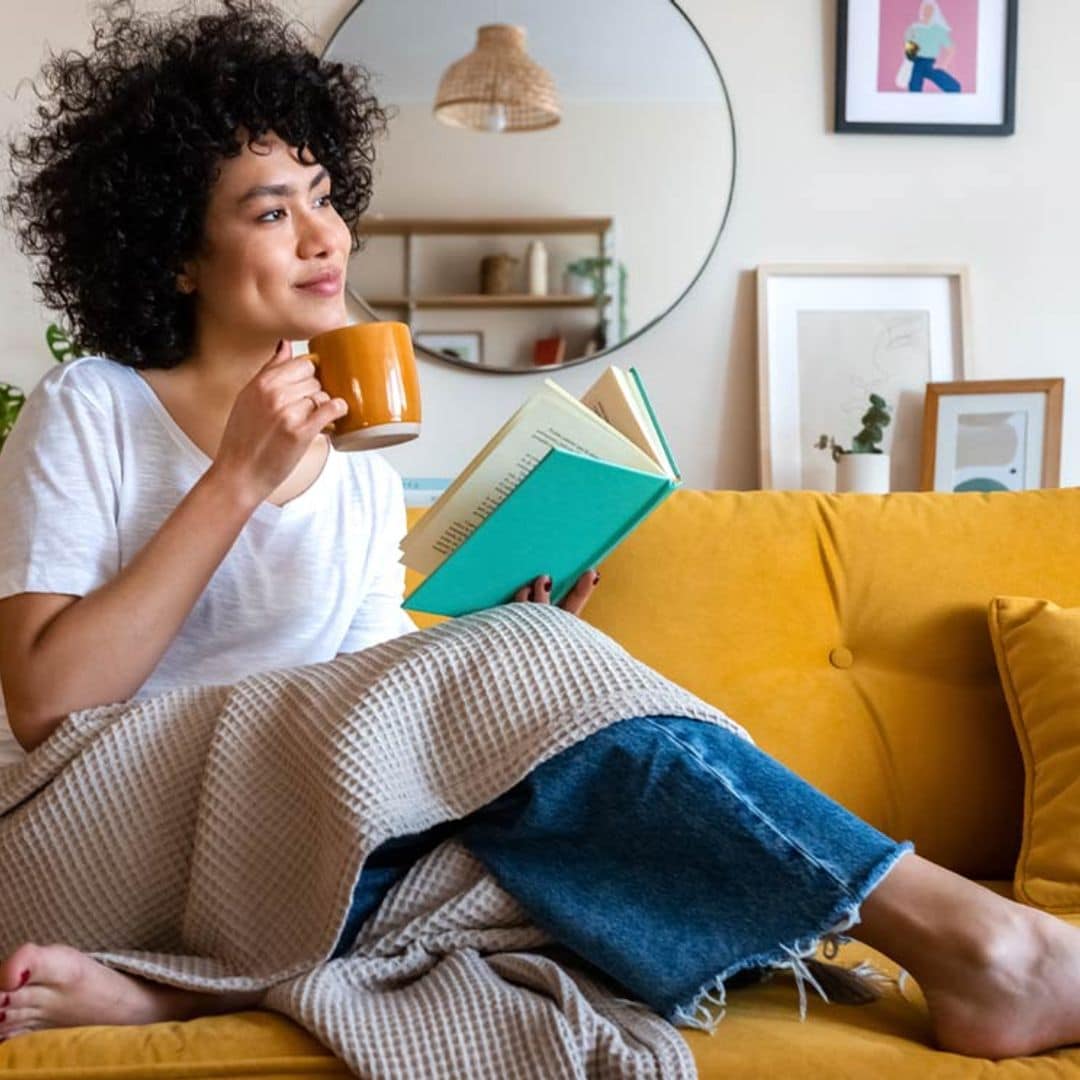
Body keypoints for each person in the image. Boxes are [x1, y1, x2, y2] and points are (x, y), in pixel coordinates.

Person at [1, 0, 1079, 1062]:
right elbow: (47, 703)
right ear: (175, 253)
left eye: (324, 196)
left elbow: (364, 731)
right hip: (93, 828)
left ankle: (173, 989)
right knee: (549, 787)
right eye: (272, 211)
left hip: (272, 844)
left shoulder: (362, 478)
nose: (326, 236)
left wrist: (507, 647)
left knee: (551, 833)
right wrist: (235, 480)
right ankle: (985, 946)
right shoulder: (92, 407)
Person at [905, 0, 962, 93]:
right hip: (917, 61)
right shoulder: (914, 27)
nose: (926, 12)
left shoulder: (938, 30)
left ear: (934, 12)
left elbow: (951, 49)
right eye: (925, 9)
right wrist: (910, 45)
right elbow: (909, 48)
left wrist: (944, 64)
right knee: (914, 87)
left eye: (930, 10)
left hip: (929, 62)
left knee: (953, 87)